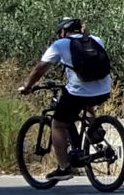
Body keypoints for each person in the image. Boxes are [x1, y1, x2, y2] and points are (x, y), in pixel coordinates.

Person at [17, 17, 112, 183]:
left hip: (79, 92)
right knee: (86, 104)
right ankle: (95, 130)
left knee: (58, 124)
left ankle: (64, 167)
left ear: (62, 31)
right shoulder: (96, 40)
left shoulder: (60, 44)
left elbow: (40, 68)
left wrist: (28, 86)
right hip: (104, 90)